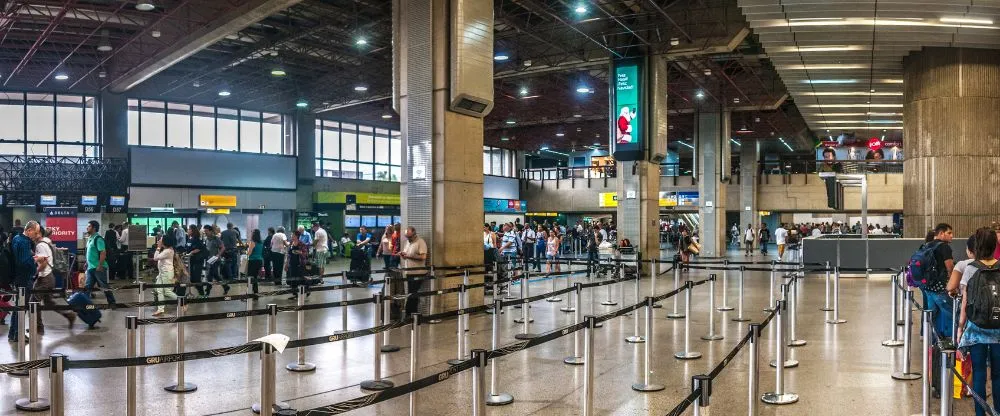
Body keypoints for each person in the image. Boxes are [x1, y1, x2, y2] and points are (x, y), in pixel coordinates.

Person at [955, 228, 1000, 416]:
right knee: (998, 375)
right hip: (999, 330)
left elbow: (965, 302)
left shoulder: (971, 268)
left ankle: (980, 413)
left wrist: (960, 328)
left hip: (976, 329)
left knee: (979, 372)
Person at [31, 227, 76, 331]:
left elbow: (44, 263)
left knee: (33, 301)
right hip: (49, 277)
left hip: (44, 278)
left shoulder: (41, 245)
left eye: (35, 233)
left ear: (40, 234)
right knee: (48, 303)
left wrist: (35, 273)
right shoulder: (47, 242)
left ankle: (38, 327)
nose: (33, 235)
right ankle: (69, 316)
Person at [924, 223, 956, 340]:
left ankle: (933, 341)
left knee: (932, 316)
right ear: (941, 233)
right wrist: (953, 286)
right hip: (940, 288)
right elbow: (950, 268)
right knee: (953, 314)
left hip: (928, 287)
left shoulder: (927, 245)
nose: (952, 236)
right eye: (949, 233)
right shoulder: (944, 247)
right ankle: (955, 342)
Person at [84, 220, 117, 305]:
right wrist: (87, 262)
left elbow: (103, 252)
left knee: (104, 286)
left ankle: (112, 303)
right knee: (87, 287)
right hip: (90, 267)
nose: (87, 228)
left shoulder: (98, 239)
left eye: (89, 226)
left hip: (98, 267)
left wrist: (100, 265)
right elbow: (90, 253)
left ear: (94, 228)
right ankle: (85, 304)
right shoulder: (90, 238)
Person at [399, 227, 428, 316]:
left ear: (414, 234)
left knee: (413, 293)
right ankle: (412, 313)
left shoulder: (421, 242)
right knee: (412, 293)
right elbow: (406, 254)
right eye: (407, 237)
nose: (408, 239)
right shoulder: (407, 242)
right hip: (409, 272)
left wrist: (408, 256)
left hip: (418, 272)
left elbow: (423, 257)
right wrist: (403, 255)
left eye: (410, 237)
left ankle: (409, 314)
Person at [151, 233, 180, 317]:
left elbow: (155, 258)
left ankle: (182, 302)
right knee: (159, 290)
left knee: (167, 291)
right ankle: (160, 309)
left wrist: (158, 247)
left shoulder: (168, 251)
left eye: (161, 240)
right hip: (162, 273)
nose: (159, 240)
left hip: (167, 273)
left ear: (165, 242)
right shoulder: (167, 250)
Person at [204, 225, 230, 295]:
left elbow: (223, 248)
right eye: (205, 231)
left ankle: (208, 290)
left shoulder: (216, 238)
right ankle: (226, 286)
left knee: (209, 275)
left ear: (211, 231)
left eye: (206, 231)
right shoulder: (206, 239)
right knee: (216, 275)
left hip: (215, 260)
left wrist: (218, 255)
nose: (205, 232)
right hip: (209, 259)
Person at [287, 230, 310, 300]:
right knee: (293, 278)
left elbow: (305, 254)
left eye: (292, 235)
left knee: (301, 277)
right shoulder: (291, 243)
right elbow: (288, 254)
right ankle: (295, 294)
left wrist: (300, 252)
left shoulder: (301, 244)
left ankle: (307, 289)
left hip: (300, 263)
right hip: (292, 263)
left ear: (296, 236)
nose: (291, 236)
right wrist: (286, 263)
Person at [186, 225, 208, 298]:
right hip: (191, 261)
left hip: (197, 261)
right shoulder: (189, 239)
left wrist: (191, 252)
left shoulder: (197, 239)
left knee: (196, 278)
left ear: (192, 230)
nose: (188, 230)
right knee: (192, 278)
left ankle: (202, 293)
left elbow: (199, 248)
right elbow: (188, 247)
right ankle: (200, 291)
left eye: (189, 229)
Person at [247, 229, 264, 294]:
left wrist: (247, 250)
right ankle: (255, 292)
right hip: (259, 261)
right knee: (255, 277)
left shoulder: (252, 242)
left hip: (253, 261)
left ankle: (249, 293)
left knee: (250, 278)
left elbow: (249, 253)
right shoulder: (261, 243)